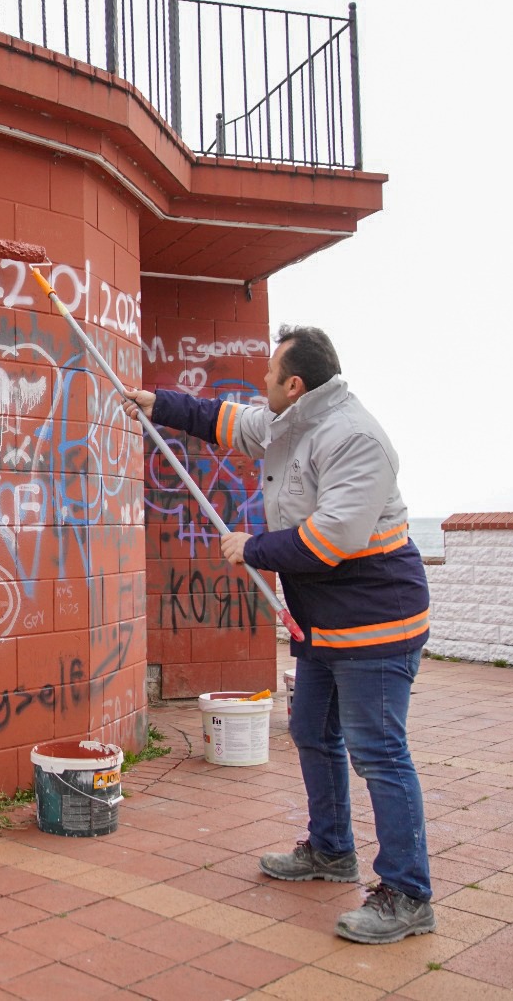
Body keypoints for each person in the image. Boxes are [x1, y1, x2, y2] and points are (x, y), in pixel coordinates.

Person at [125, 325, 434, 945]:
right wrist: (159, 403)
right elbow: (230, 421)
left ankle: (408, 893)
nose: (262, 382)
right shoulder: (288, 419)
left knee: (377, 752)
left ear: (296, 384)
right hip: (324, 622)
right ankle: (330, 851)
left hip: (377, 619)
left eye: (270, 374)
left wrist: (254, 548)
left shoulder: (355, 439)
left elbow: (332, 540)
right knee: (312, 732)